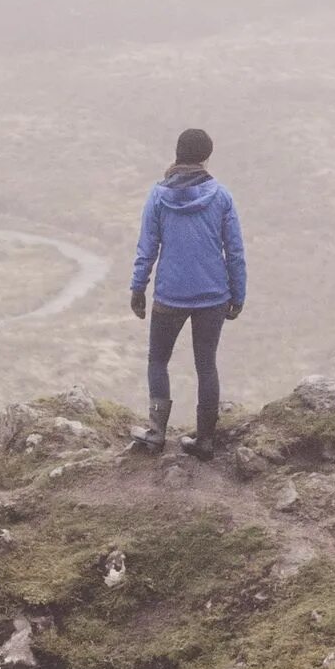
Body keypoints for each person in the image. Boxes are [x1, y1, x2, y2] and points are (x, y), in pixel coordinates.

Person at [128, 127, 247, 457]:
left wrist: (138, 287)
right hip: (213, 294)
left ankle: (155, 433)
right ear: (206, 157)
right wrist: (238, 293)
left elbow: (146, 248)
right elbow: (234, 251)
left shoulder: (157, 196)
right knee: (206, 364)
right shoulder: (221, 196)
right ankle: (205, 441)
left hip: (170, 295)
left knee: (158, 360)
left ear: (178, 153)